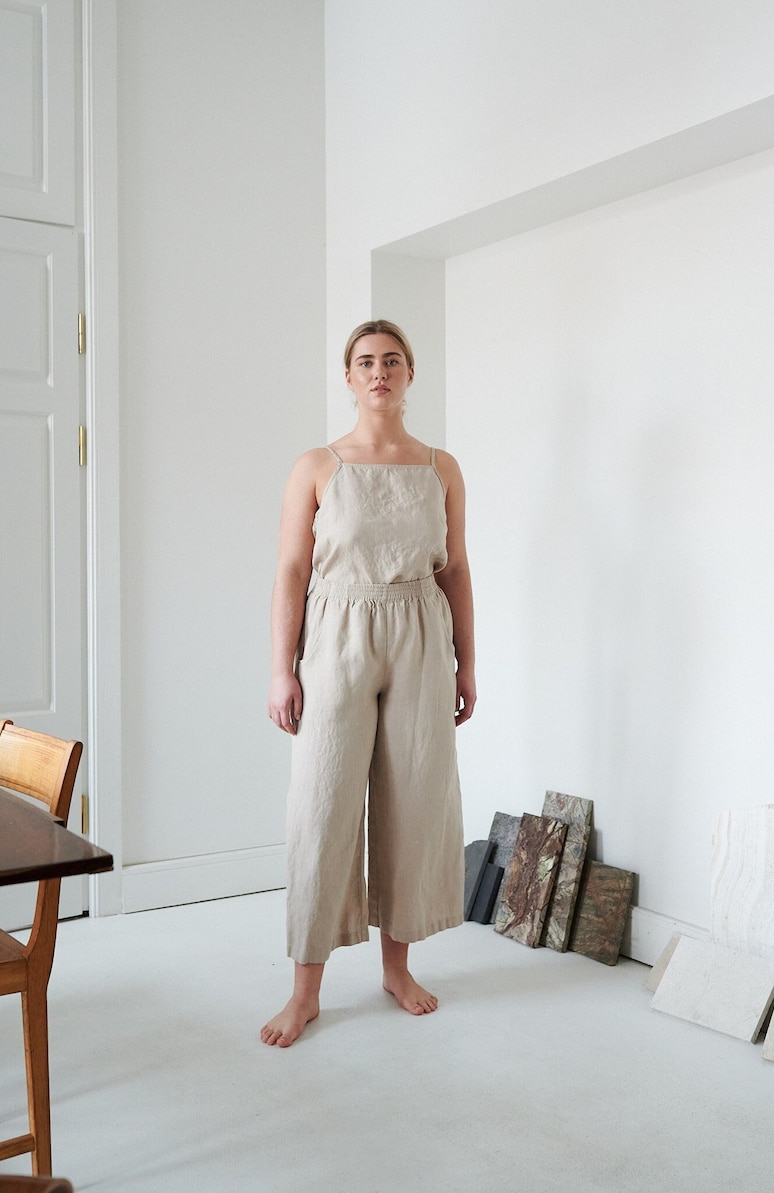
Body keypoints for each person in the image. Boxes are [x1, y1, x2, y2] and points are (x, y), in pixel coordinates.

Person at [261, 319, 475, 1047]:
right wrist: (280, 668)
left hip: (420, 632)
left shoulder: (441, 467)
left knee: (413, 801)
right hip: (337, 635)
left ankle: (396, 967)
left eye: (391, 360)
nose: (378, 371)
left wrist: (467, 661)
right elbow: (291, 570)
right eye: (364, 362)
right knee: (322, 805)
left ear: (410, 374)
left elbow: (456, 570)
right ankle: (305, 989)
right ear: (348, 378)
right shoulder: (317, 465)